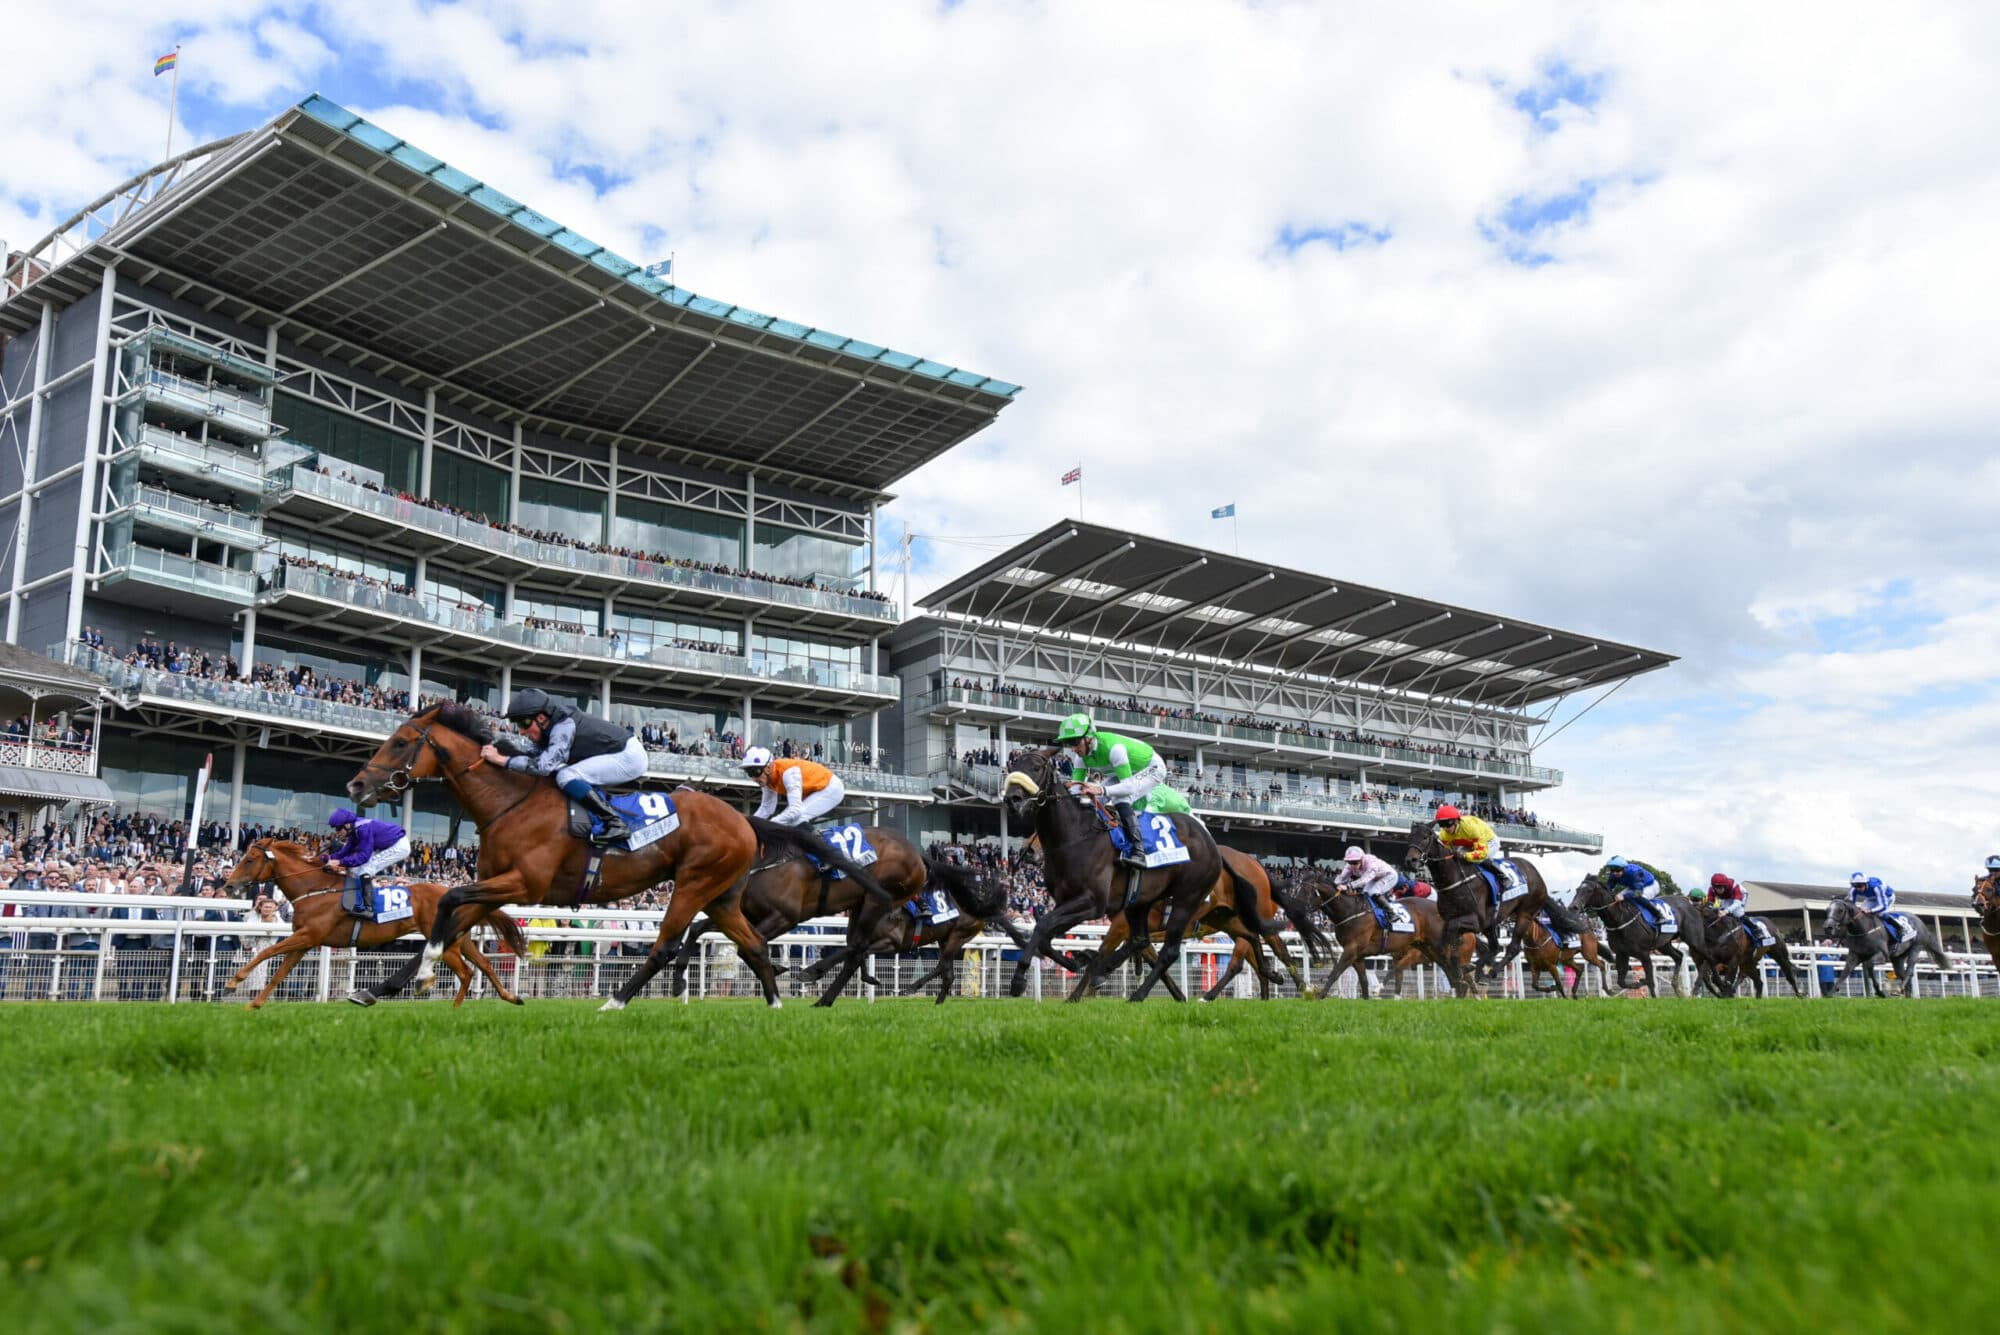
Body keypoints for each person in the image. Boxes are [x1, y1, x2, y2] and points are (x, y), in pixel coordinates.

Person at [482, 689, 648, 845]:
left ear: (541, 718)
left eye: (524, 723)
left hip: (629, 756)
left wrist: (502, 760)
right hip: (615, 752)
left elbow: (543, 766)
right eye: (517, 724)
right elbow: (531, 756)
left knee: (565, 776)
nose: (521, 731)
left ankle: (615, 822)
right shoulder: (548, 727)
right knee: (561, 773)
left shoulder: (563, 726)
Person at [1054, 712, 1167, 867]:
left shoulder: (1114, 749)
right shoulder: (1080, 757)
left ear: (1089, 738)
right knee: (1090, 801)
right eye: (1069, 743)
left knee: (1121, 798)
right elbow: (1075, 790)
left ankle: (1139, 852)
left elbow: (1128, 787)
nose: (1073, 748)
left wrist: (1100, 789)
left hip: (1151, 768)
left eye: (1075, 742)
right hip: (1123, 773)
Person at [323, 808, 411, 915]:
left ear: (347, 825)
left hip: (399, 845)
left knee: (365, 869)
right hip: (385, 845)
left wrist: (339, 862)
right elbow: (345, 851)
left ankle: (368, 909)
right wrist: (326, 858)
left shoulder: (363, 829)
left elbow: (363, 857)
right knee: (355, 870)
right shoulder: (354, 829)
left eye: (338, 828)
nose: (337, 832)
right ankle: (355, 903)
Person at [742, 747, 845, 827]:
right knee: (790, 820)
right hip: (816, 790)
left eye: (754, 772)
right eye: (749, 773)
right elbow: (767, 808)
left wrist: (771, 824)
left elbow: (795, 810)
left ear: (768, 768)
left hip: (831, 788)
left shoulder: (789, 773)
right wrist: (748, 824)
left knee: (797, 819)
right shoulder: (766, 779)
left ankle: (820, 845)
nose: (754, 778)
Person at [1434, 803, 1521, 897]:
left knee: (1478, 859)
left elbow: (1481, 853)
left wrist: (1464, 856)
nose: (1445, 828)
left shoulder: (1471, 827)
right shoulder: (1444, 834)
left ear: (1456, 821)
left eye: (1447, 824)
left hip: (1489, 841)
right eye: (1441, 824)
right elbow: (1447, 854)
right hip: (1469, 843)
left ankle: (1503, 877)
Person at [1848, 871, 1898, 937]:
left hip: (1887, 897)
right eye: (1854, 886)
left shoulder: (1876, 887)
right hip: (1871, 898)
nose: (1858, 888)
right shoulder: (1853, 890)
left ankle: (1898, 927)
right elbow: (1851, 905)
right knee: (1860, 913)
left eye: (1860, 886)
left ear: (1866, 884)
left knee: (1880, 914)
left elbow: (1883, 906)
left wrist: (1870, 911)